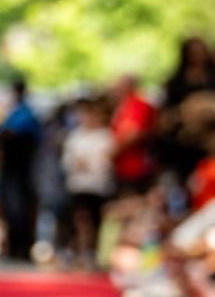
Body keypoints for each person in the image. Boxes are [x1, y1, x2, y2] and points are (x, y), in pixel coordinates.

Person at [61, 98, 116, 269]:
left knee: (93, 218)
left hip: (97, 185)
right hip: (78, 184)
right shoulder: (75, 136)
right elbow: (68, 159)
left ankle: (91, 251)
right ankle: (76, 249)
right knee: (79, 217)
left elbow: (105, 160)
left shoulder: (105, 136)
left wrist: (91, 162)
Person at [0, 76, 42, 262]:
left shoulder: (25, 115)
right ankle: (15, 246)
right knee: (13, 208)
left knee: (21, 208)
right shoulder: (17, 113)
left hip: (22, 170)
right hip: (13, 171)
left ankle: (22, 247)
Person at [109, 74, 158, 195]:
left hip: (136, 168)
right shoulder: (122, 106)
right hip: (122, 167)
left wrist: (111, 151)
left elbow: (134, 134)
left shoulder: (138, 105)